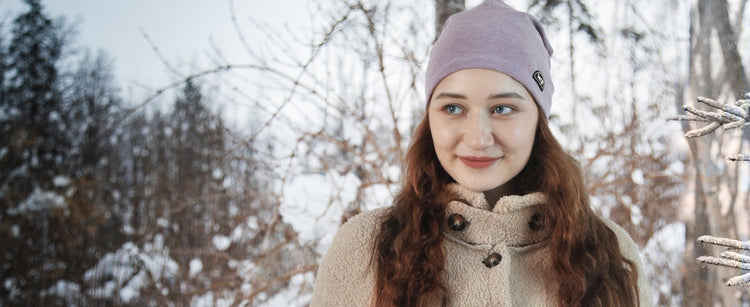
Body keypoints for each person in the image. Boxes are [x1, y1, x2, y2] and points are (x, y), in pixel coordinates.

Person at [310, 0, 652, 306]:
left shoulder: (610, 257)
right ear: (430, 119)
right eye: (454, 108)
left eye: (503, 109)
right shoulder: (363, 251)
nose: (477, 138)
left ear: (538, 121)